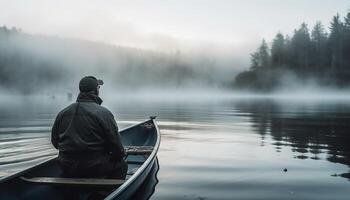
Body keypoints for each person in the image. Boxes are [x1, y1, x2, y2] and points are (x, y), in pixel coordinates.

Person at [51, 76, 127, 179]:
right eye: (98, 87)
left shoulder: (62, 113)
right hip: (94, 167)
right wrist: (115, 155)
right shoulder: (104, 113)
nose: (99, 90)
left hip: (66, 166)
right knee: (121, 164)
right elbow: (117, 148)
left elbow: (55, 143)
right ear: (95, 90)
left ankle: (69, 192)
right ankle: (104, 193)